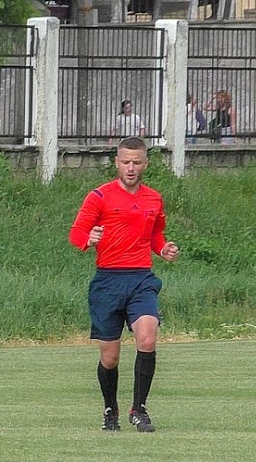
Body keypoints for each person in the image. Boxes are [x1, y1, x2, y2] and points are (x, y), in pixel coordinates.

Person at [68, 136, 180, 433]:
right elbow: (77, 232)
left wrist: (163, 249)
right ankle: (110, 410)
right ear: (117, 163)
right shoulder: (99, 197)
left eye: (137, 162)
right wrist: (87, 240)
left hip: (141, 278)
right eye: (125, 162)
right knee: (110, 356)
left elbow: (156, 235)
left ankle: (139, 409)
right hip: (108, 281)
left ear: (146, 164)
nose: (131, 168)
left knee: (147, 337)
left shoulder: (153, 198)